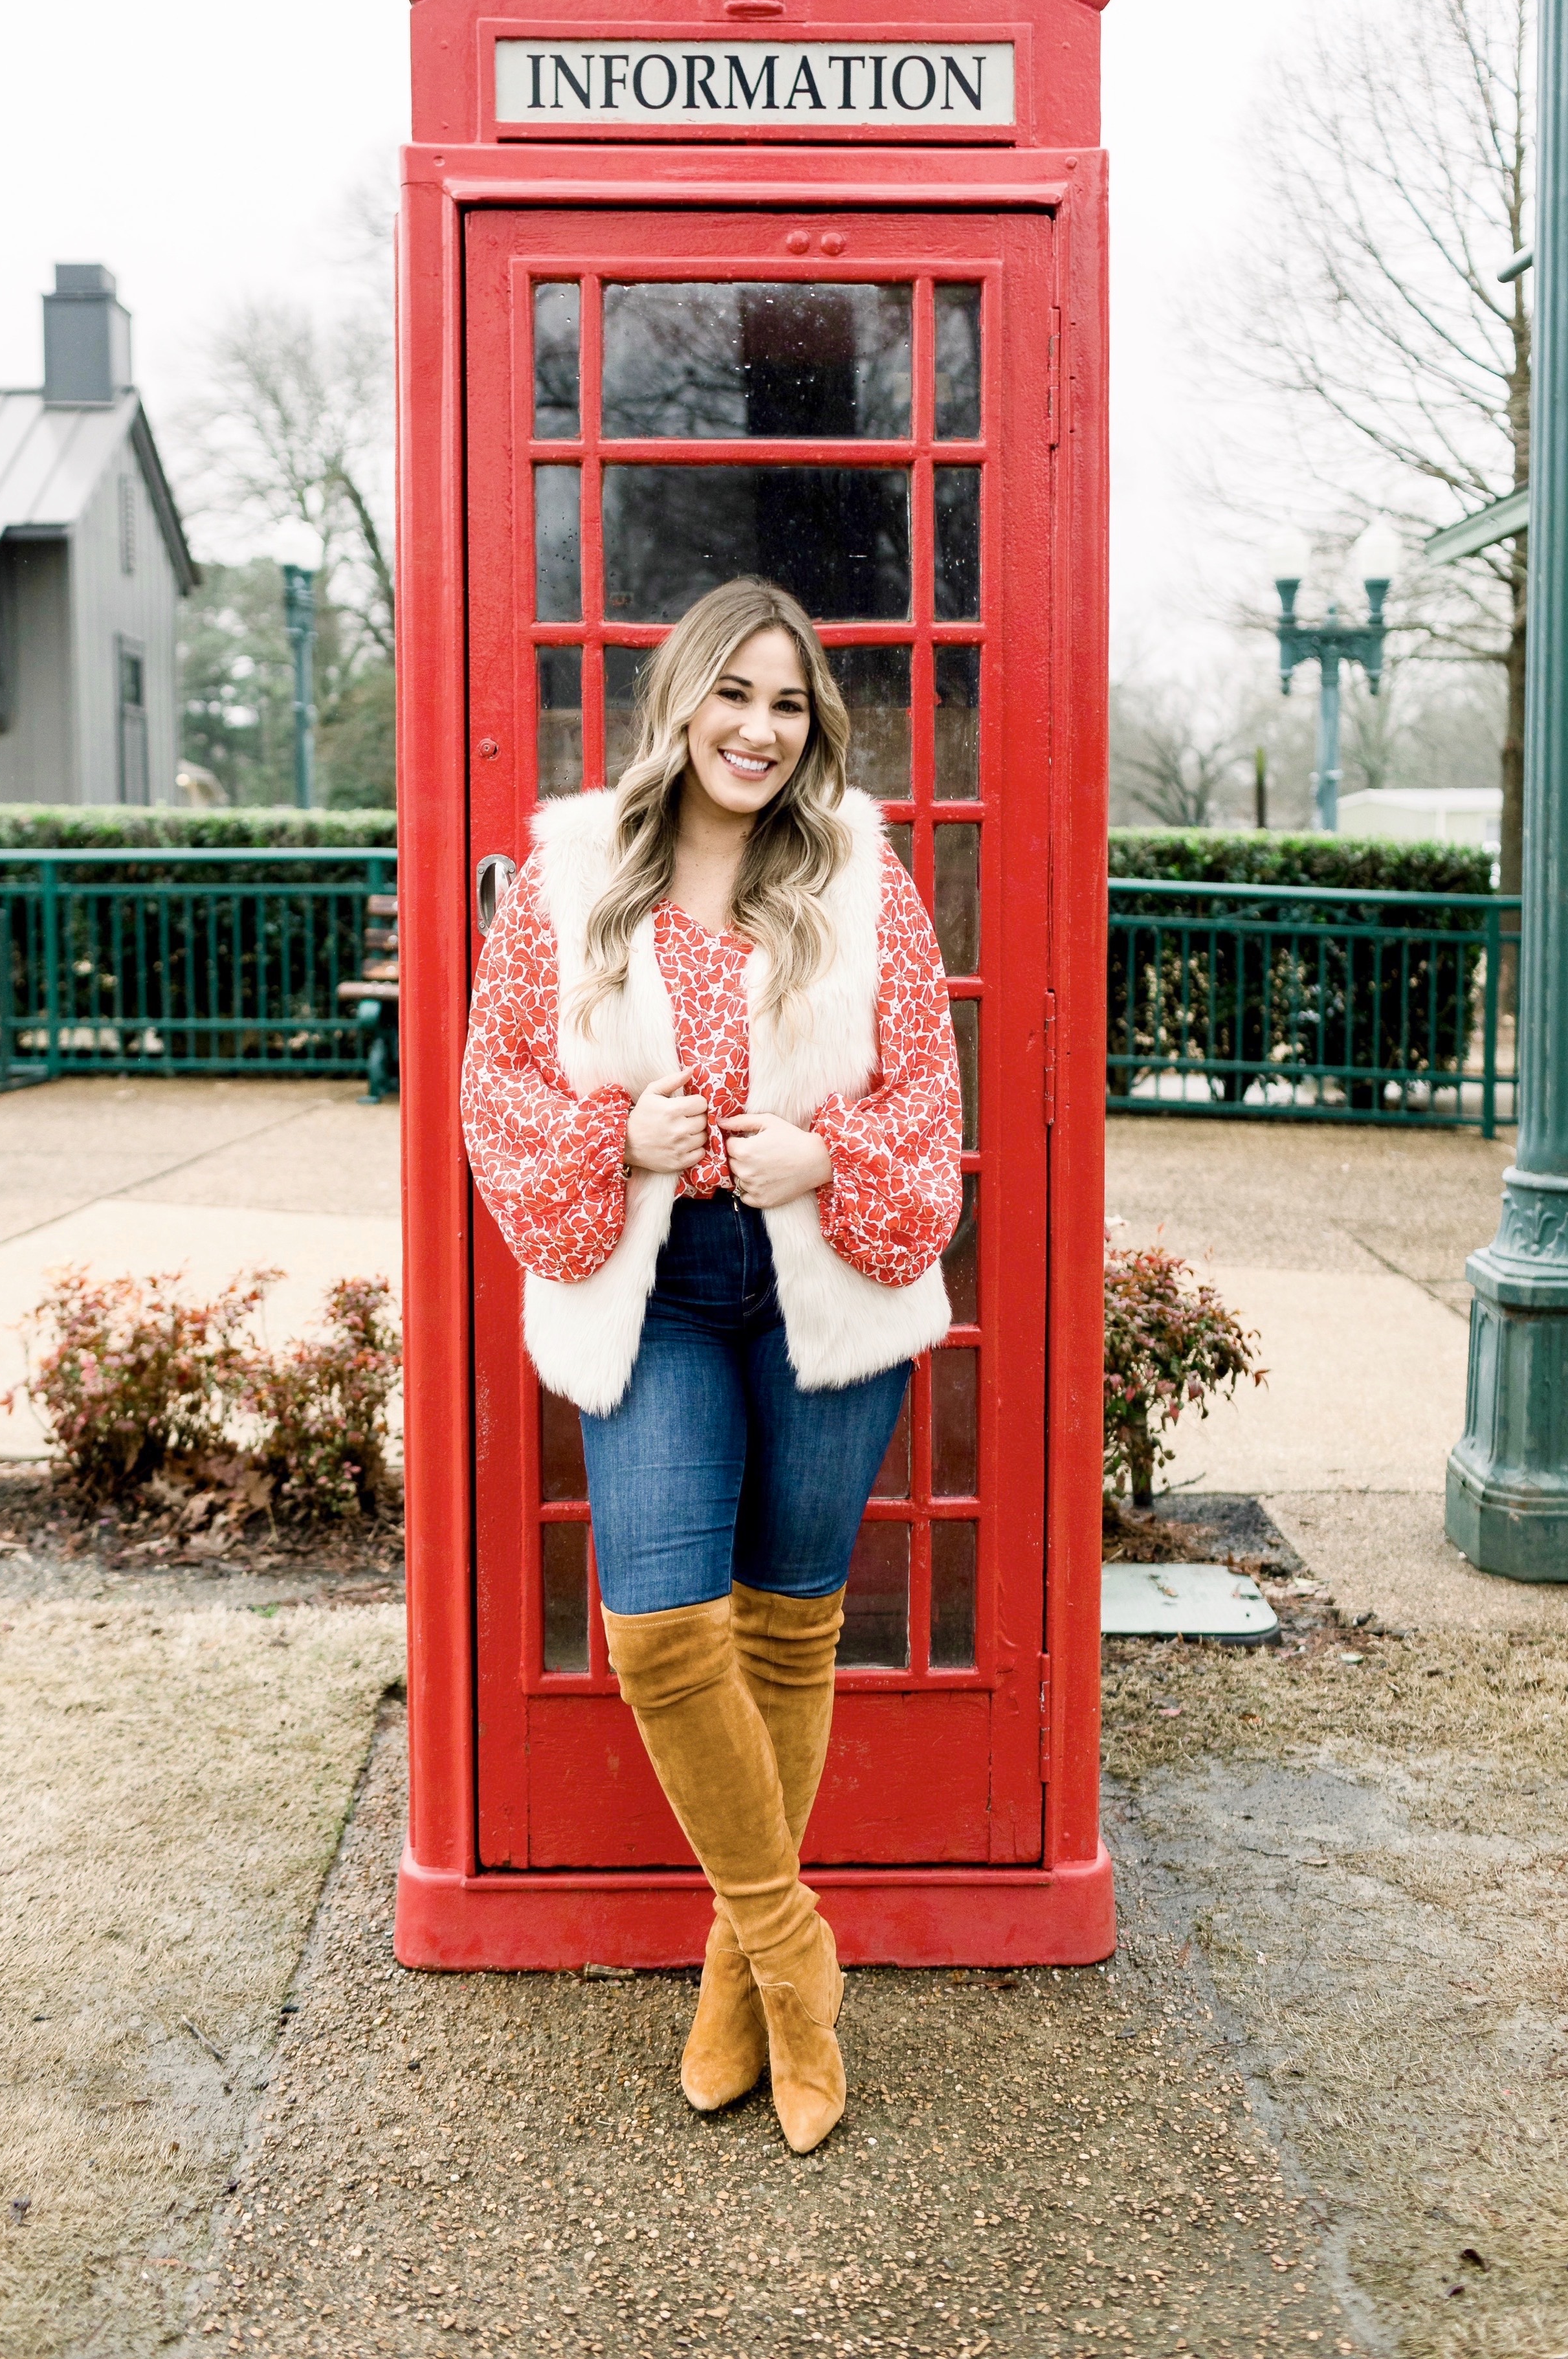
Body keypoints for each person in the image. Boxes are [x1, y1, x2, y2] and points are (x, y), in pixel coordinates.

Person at [461, 577, 961, 2153]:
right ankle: (797, 1956)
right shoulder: (564, 883)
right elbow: (493, 1101)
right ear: (679, 701)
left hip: (818, 1281)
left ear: (813, 728)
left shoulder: (863, 878)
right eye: (732, 694)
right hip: (657, 1287)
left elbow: (932, 1112)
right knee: (663, 1632)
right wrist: (619, 1135)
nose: (758, 728)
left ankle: (730, 1979)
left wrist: (820, 1152)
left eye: (789, 702)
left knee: (790, 1633)